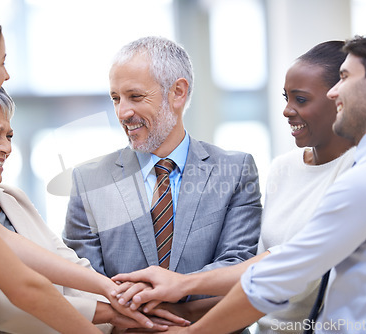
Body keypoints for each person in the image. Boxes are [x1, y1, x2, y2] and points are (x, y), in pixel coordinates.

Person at [111, 28, 366, 333]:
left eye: (345, 77)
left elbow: (284, 271)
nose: (335, 92)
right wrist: (182, 309)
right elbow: (272, 265)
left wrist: (190, 326)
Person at [0, 3, 161, 333]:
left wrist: (107, 287)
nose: (6, 76)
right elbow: (23, 287)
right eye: (1, 63)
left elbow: (7, 241)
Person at [62, 36, 262, 289]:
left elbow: (239, 266)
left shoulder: (235, 171)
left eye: (135, 96)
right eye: (115, 98)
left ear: (177, 93)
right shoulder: (88, 181)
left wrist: (177, 299)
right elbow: (82, 281)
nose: (122, 112)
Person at [0, 88, 114, 333]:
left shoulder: (13, 198)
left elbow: (67, 263)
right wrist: (109, 314)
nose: (7, 147)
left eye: (9, 136)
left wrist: (119, 303)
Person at [254, 41, 355, 333]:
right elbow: (257, 269)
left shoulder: (358, 170)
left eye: (300, 100)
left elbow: (294, 267)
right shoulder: (283, 167)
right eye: (286, 98)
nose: (287, 110)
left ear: (339, 97)